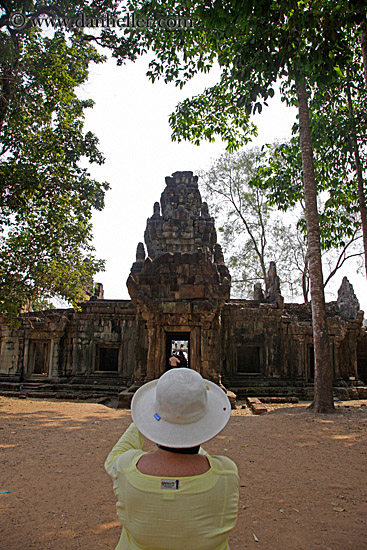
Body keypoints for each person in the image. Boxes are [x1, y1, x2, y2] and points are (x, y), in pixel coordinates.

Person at [105, 368, 239, 550]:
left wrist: (147, 416)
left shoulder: (125, 467)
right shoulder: (226, 473)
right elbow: (203, 457)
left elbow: (116, 454)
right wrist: (188, 429)